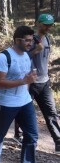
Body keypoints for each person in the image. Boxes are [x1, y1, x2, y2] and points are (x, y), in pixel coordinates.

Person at [0, 26, 38, 163]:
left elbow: (26, 78)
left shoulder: (27, 55)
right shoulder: (4, 57)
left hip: (25, 101)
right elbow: (0, 83)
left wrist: (28, 85)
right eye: (27, 40)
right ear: (17, 40)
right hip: (6, 102)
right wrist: (24, 81)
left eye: (31, 41)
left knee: (32, 135)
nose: (30, 44)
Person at [13, 14, 59, 152]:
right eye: (45, 24)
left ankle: (58, 141)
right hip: (30, 83)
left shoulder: (48, 39)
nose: (48, 27)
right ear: (38, 23)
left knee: (51, 112)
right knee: (23, 109)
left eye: (50, 25)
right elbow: (20, 56)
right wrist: (35, 51)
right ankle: (19, 135)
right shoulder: (30, 39)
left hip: (44, 82)